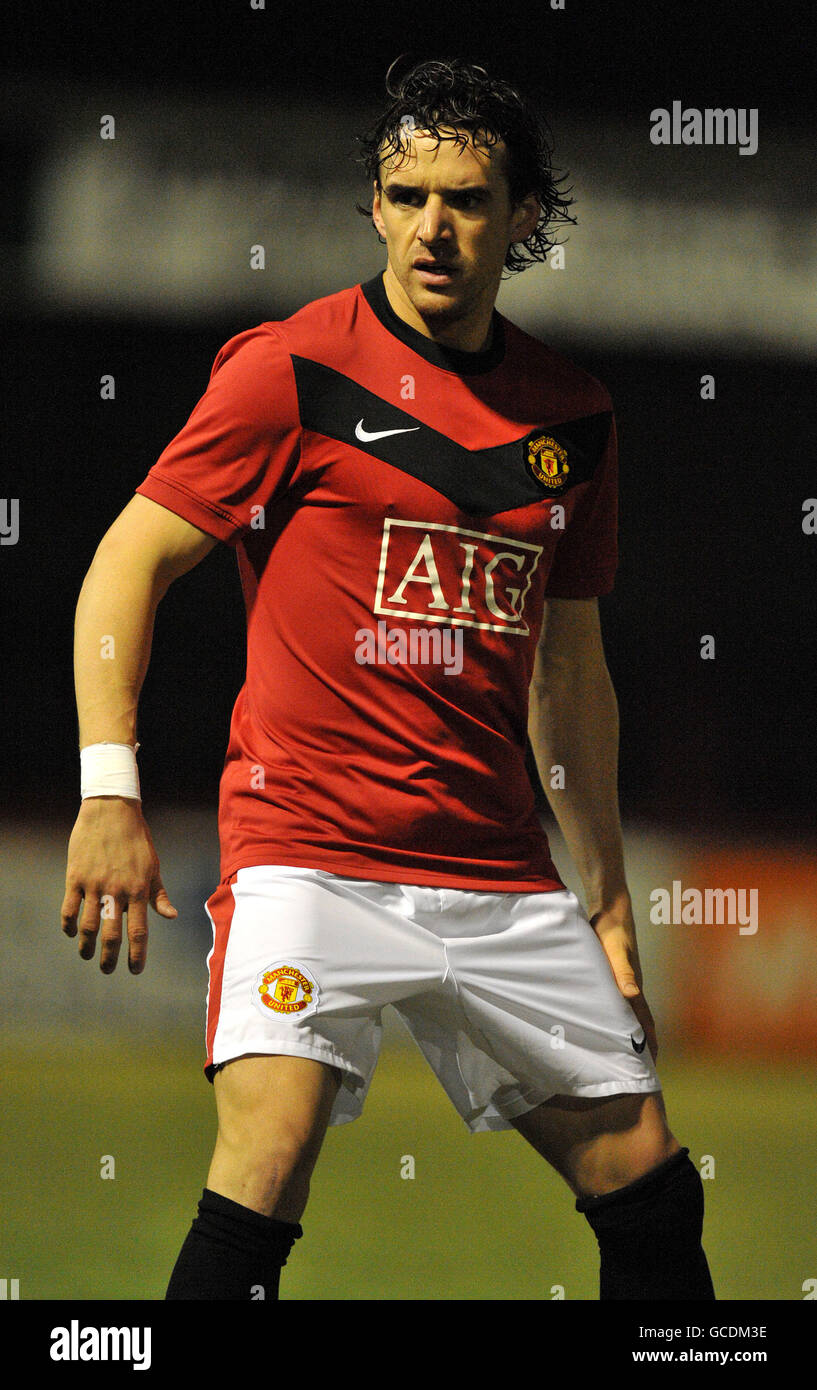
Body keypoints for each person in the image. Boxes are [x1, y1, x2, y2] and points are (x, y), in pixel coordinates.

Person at [61, 56, 715, 1302]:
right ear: (373, 205)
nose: (433, 226)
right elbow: (125, 563)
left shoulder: (570, 421)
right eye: (406, 194)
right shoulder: (291, 369)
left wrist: (609, 891)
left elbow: (567, 667)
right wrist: (108, 789)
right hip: (309, 850)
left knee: (651, 1188)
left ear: (523, 217)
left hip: (495, 870)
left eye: (466, 198)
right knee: (268, 1155)